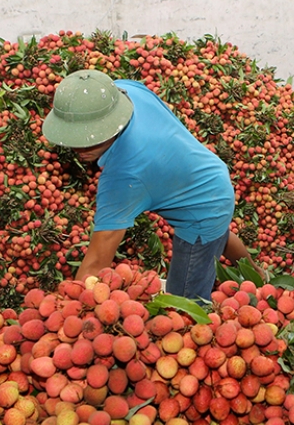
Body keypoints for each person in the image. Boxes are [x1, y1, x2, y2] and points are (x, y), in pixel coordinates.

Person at [41, 69, 259, 301]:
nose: (78, 149)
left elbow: (95, 264)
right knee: (214, 233)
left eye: (90, 138)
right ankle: (257, 276)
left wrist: (67, 308)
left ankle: (252, 281)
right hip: (208, 171)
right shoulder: (125, 91)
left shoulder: (124, 177)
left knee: (182, 307)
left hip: (206, 203)